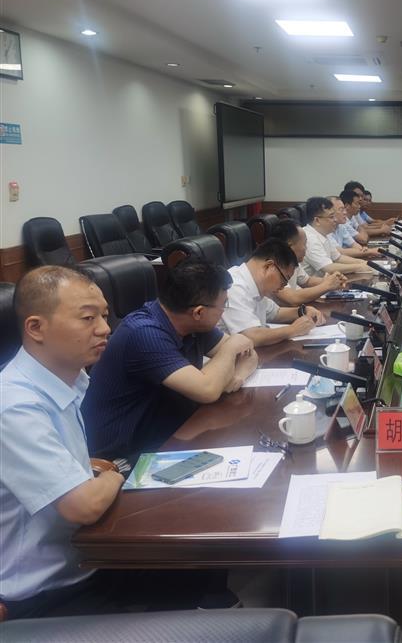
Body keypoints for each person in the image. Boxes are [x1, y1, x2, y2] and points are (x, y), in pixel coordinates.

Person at [1, 267, 235, 619]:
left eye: (104, 315)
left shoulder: (72, 378)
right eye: (87, 318)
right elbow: (83, 506)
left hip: (93, 555)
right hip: (50, 592)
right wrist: (114, 472)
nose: (105, 328)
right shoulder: (15, 406)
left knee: (207, 551)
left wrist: (100, 473)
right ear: (36, 328)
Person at [82, 260, 259, 460]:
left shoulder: (192, 323)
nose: (223, 312)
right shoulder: (143, 333)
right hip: (122, 457)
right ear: (199, 312)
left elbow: (249, 354)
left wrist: (238, 376)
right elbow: (208, 390)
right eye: (223, 305)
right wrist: (232, 346)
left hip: (173, 432)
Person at [219, 238, 325, 346]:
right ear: (268, 266)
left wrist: (303, 311)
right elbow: (251, 336)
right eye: (284, 280)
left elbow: (275, 313)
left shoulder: (255, 284)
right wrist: (293, 329)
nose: (283, 286)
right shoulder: (234, 286)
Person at [269, 219, 347, 307]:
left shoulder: (291, 260)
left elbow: (307, 281)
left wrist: (331, 281)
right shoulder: (272, 266)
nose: (306, 248)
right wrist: (327, 285)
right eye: (304, 244)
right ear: (290, 246)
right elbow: (292, 298)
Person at [302, 197, 373, 276]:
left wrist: (365, 263)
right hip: (316, 282)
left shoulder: (324, 234)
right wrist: (359, 267)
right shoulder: (308, 238)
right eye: (331, 217)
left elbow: (338, 258)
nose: (335, 220)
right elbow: (328, 268)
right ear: (317, 220)